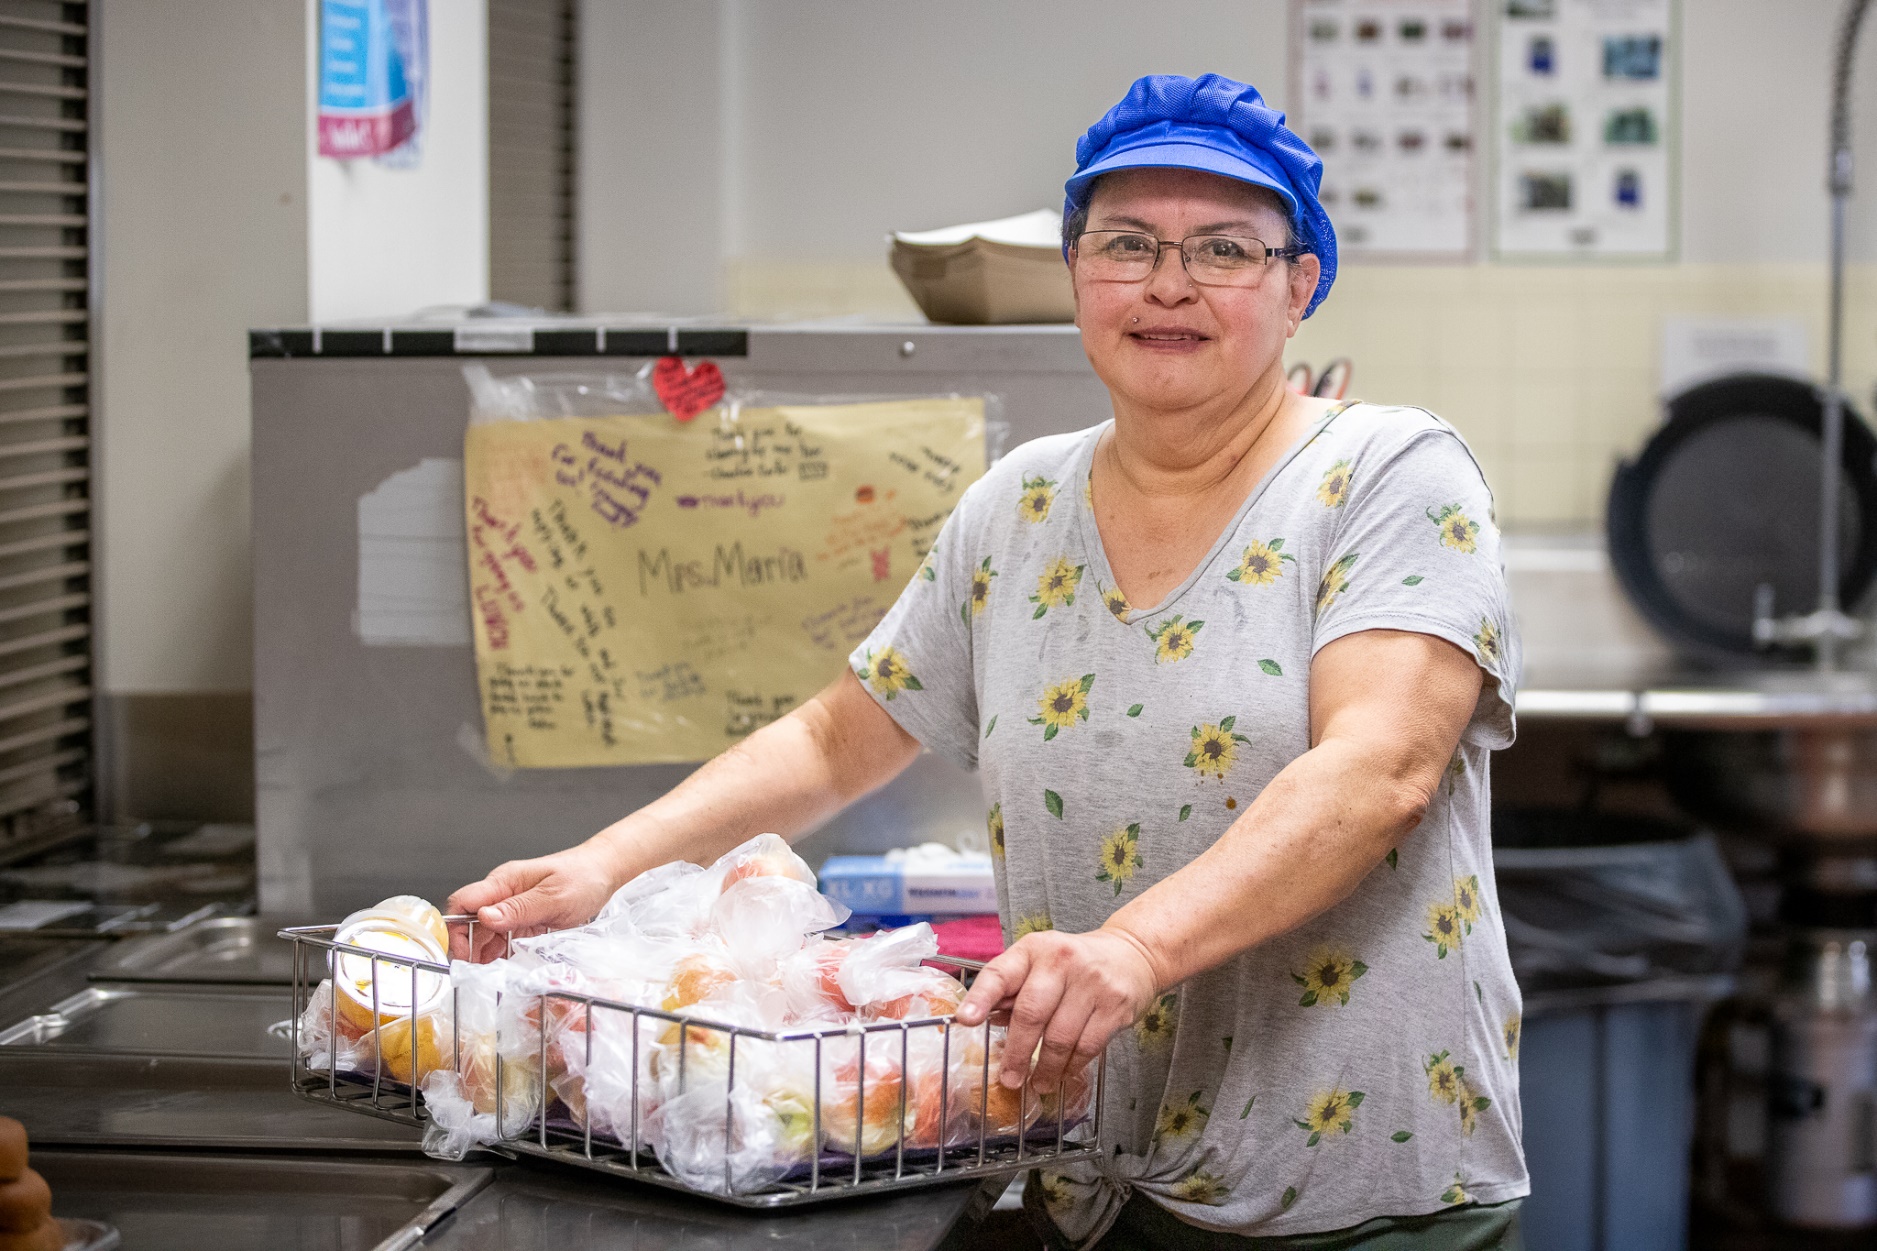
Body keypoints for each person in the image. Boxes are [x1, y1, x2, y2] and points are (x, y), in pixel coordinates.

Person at [450, 73, 1526, 1248]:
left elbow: (1378, 769)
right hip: (1091, 1176)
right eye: (1126, 244)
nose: (1168, 284)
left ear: (1297, 285)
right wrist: (600, 868)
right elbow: (835, 736)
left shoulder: (1389, 475)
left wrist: (1134, 947)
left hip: (1347, 1182)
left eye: (1224, 249)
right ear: (1074, 273)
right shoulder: (1015, 508)